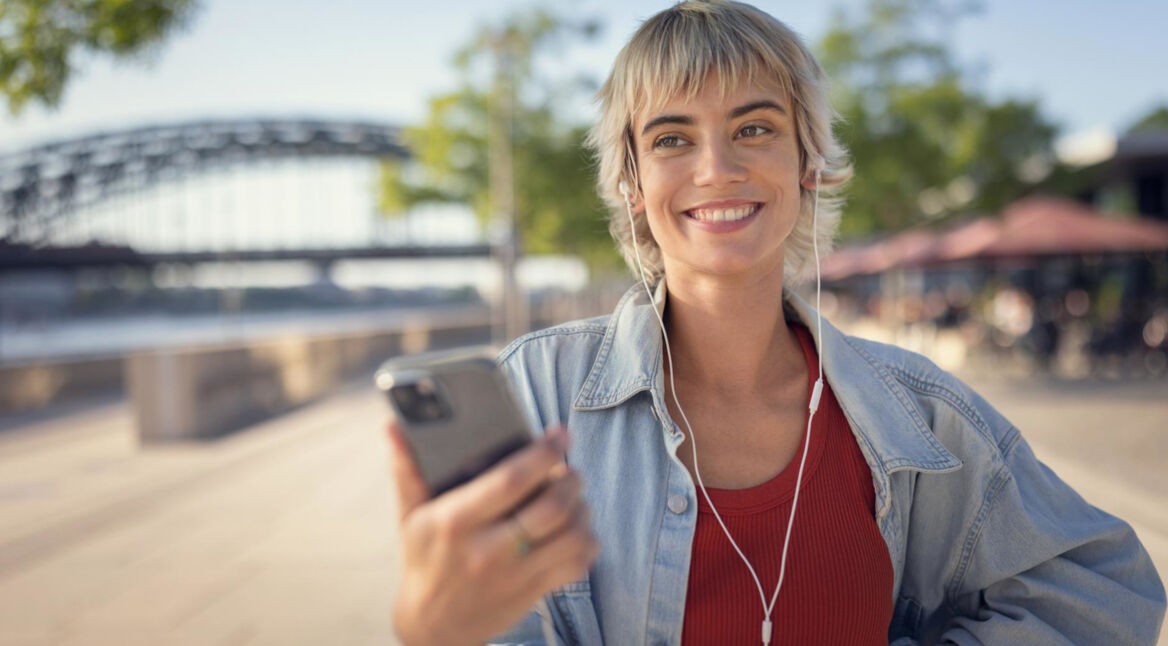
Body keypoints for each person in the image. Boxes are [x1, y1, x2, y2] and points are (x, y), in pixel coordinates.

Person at [386, 1, 1167, 644]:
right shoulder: (536, 394)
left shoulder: (916, 415)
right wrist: (430, 632)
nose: (716, 168)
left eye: (754, 127)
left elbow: (1107, 589)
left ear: (808, 162)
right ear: (630, 182)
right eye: (671, 138)